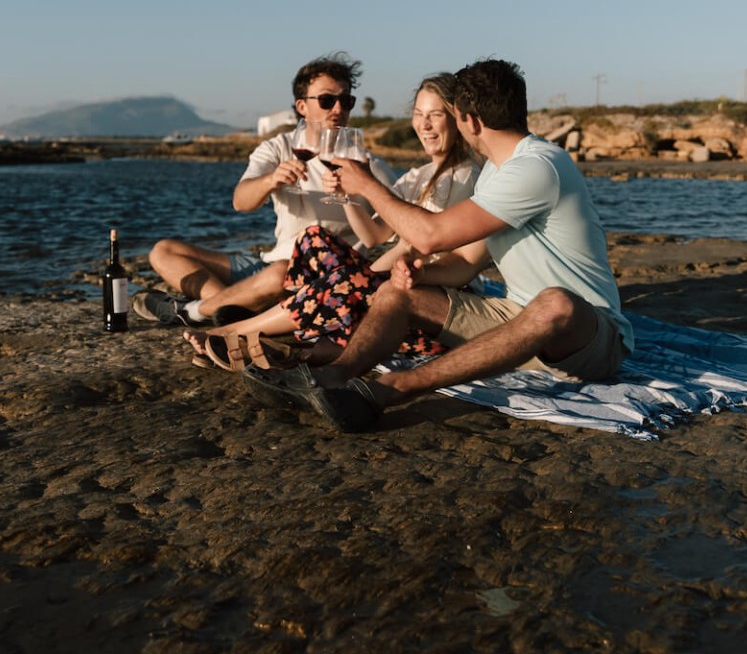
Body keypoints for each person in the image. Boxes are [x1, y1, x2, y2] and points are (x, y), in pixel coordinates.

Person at [242, 58, 633, 432]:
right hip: (518, 320)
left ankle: (391, 389)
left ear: (468, 120)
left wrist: (367, 187)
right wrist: (420, 272)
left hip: (590, 339)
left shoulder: (537, 166)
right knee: (397, 293)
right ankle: (332, 376)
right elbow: (465, 261)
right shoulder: (496, 172)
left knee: (555, 302)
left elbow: (432, 235)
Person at [195, 73, 485, 370]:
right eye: (418, 114)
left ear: (457, 119)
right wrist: (348, 195)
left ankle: (236, 331)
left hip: (428, 293)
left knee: (343, 280)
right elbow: (374, 236)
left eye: (435, 115)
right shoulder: (417, 176)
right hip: (395, 281)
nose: (424, 125)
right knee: (313, 239)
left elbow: (430, 251)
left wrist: (361, 278)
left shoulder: (466, 177)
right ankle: (313, 316)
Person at [133, 52, 395, 329]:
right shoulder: (279, 148)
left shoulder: (367, 164)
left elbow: (395, 223)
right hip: (270, 263)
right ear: (302, 107)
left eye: (346, 100)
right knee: (163, 251)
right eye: (327, 100)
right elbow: (240, 202)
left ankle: (194, 311)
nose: (338, 108)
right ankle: (232, 307)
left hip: (321, 277)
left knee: (279, 274)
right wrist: (271, 180)